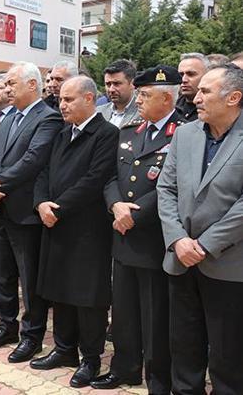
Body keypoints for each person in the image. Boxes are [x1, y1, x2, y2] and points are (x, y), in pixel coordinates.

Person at [94, 65, 182, 393]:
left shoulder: (183, 132)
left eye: (145, 95)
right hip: (123, 234)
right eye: (140, 94)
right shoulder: (129, 130)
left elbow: (173, 187)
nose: (139, 101)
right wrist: (116, 206)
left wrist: (136, 214)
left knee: (155, 316)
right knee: (125, 312)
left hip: (154, 238)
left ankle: (158, 379)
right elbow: (111, 177)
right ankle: (124, 368)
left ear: (166, 97)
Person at [156, 64, 243, 394]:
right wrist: (178, 239)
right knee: (185, 350)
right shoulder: (186, 133)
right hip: (181, 261)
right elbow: (166, 189)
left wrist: (205, 245)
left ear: (233, 97)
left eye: (206, 91)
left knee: (228, 356)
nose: (195, 97)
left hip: (228, 265)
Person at [30, 76, 119, 388]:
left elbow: (96, 179)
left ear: (90, 99)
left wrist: (57, 207)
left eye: (69, 99)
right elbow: (43, 170)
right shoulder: (62, 132)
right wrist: (41, 202)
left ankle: (91, 358)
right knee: (59, 290)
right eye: (61, 99)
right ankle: (64, 349)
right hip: (54, 222)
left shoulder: (106, 133)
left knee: (87, 297)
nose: (62, 105)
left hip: (86, 229)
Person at [0, 62, 61, 362]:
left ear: (31, 84)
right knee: (1, 272)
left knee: (29, 278)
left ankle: (32, 335)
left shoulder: (48, 118)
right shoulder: (8, 118)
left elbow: (33, 159)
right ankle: (6, 325)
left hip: (25, 210)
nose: (7, 89)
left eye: (12, 83)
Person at [99, 59, 139, 128]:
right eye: (108, 84)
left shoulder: (143, 114)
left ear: (132, 84)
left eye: (116, 84)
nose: (111, 89)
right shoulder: (98, 112)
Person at [176, 53, 210, 122]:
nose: (184, 80)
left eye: (191, 74)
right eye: (181, 75)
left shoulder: (215, 109)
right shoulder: (171, 108)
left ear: (207, 75)